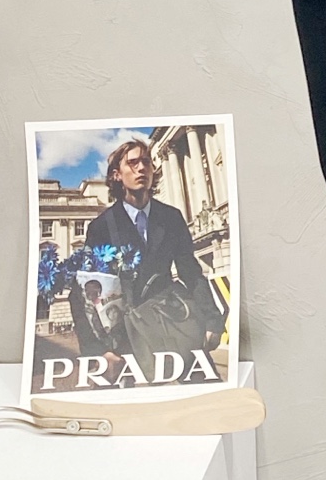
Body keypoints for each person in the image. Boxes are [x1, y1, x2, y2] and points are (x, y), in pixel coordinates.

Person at [85, 139, 223, 352]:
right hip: (126, 336)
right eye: (133, 163)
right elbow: (88, 290)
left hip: (172, 322)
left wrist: (212, 320)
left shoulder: (171, 217)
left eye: (146, 162)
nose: (141, 168)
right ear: (117, 175)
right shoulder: (101, 226)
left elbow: (191, 271)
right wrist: (97, 350)